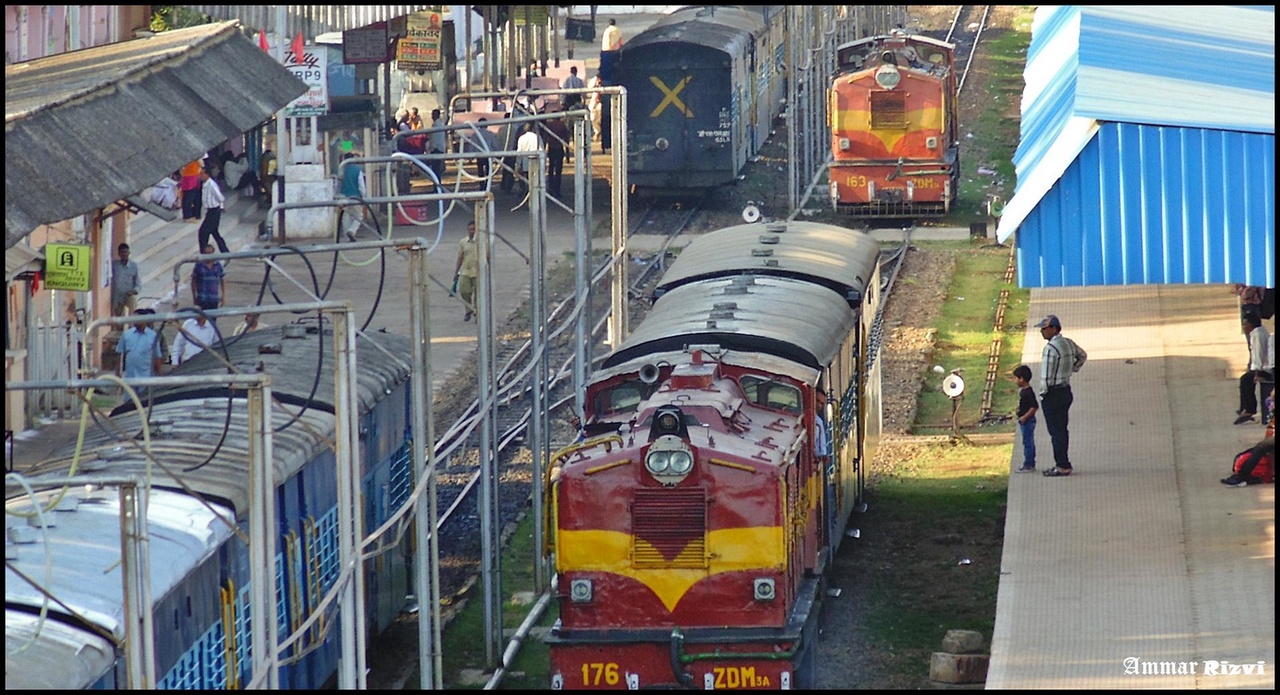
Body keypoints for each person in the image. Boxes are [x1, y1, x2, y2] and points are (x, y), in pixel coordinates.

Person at [1035, 314, 1087, 477]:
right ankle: (1063, 462)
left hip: (1053, 394)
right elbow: (1082, 356)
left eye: (1045, 329)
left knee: (1055, 431)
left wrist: (1043, 394)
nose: (1042, 332)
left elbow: (1046, 377)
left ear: (1054, 329)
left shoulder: (1050, 348)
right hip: (1065, 390)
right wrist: (1071, 369)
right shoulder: (1068, 343)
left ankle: (1062, 465)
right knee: (1062, 429)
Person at [1235, 312, 1272, 425]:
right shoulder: (1260, 331)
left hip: (1265, 368)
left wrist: (1257, 372)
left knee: (1245, 380)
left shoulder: (1257, 335)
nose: (1244, 327)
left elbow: (1258, 354)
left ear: (1251, 324)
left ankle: (1249, 409)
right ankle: (1244, 407)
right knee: (1246, 379)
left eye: (1245, 324)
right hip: (1265, 367)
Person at [116, 308, 164, 387]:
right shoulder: (126, 335)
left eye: (136, 318)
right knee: (130, 399)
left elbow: (157, 357)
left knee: (144, 399)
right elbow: (119, 353)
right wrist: (117, 372)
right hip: (129, 378)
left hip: (146, 378)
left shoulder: (153, 336)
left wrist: (160, 376)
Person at [1011, 365, 1039, 472]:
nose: (1015, 381)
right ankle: (1029, 462)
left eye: (1016, 378)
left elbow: (1034, 406)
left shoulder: (1028, 392)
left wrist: (1024, 417)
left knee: (1028, 443)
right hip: (1024, 420)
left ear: (1021, 379)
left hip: (1028, 421)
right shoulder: (1023, 391)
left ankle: (1029, 464)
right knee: (1027, 442)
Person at [197, 168, 229, 254]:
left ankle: (203, 252)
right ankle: (225, 251)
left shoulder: (211, 184)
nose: (201, 176)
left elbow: (219, 197)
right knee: (214, 232)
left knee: (203, 232)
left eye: (202, 174)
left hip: (214, 211)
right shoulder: (204, 184)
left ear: (207, 174)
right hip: (210, 211)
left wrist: (221, 206)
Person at [454, 221, 479, 322]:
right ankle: (469, 310)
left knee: (479, 295)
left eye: (474, 229)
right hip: (465, 271)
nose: (472, 231)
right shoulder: (463, 242)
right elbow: (460, 257)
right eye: (470, 229)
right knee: (464, 291)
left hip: (478, 273)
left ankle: (478, 314)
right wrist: (456, 272)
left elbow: (487, 256)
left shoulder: (482, 242)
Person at [109, 243, 141, 317]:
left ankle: (132, 325)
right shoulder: (114, 265)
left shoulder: (134, 266)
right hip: (117, 296)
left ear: (129, 253)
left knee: (133, 305)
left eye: (125, 252)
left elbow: (138, 283)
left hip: (129, 295)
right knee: (117, 317)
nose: (124, 254)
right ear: (119, 254)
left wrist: (134, 290)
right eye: (122, 252)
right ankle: (119, 327)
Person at [191, 245, 226, 312]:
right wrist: (194, 296)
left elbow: (222, 280)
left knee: (212, 320)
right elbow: (193, 281)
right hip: (202, 298)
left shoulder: (218, 265)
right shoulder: (199, 265)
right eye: (207, 254)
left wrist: (223, 295)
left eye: (210, 253)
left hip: (214, 299)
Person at [542, 113, 570, 198]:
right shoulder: (562, 125)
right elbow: (566, 139)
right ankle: (557, 189)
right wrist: (567, 154)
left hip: (551, 148)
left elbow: (545, 138)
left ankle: (551, 188)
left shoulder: (549, 125)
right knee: (558, 170)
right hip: (559, 148)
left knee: (550, 169)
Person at [516, 123, 541, 195]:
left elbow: (519, 152)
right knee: (534, 180)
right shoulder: (537, 137)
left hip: (525, 162)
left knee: (526, 179)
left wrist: (518, 164)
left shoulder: (522, 138)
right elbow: (541, 150)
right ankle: (533, 193)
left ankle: (526, 192)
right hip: (536, 162)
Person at [179, 157, 204, 222]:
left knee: (188, 197)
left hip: (188, 178)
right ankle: (190, 216)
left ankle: (189, 215)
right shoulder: (195, 157)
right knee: (191, 198)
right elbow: (202, 164)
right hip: (192, 178)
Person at [428, 108, 447, 183]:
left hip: (436, 149)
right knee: (436, 170)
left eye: (433, 114)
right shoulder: (439, 124)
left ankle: (437, 186)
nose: (432, 116)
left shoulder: (436, 125)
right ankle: (437, 185)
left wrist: (431, 148)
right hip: (439, 148)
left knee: (436, 169)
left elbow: (434, 139)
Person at [587, 74, 604, 143]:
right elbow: (589, 87)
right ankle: (597, 132)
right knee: (593, 119)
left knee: (598, 119)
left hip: (599, 103)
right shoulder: (595, 81)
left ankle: (598, 133)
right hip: (594, 103)